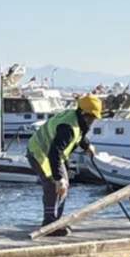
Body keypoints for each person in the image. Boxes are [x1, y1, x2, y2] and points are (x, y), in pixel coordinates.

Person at [27, 95, 102, 236]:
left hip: (50, 154)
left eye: (94, 118)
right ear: (83, 113)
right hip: (40, 154)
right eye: (91, 117)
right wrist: (58, 178)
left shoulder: (75, 118)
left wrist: (87, 146)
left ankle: (56, 222)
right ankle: (49, 224)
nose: (92, 121)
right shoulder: (68, 128)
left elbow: (78, 134)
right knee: (53, 185)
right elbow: (54, 153)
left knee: (63, 186)